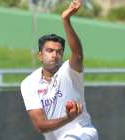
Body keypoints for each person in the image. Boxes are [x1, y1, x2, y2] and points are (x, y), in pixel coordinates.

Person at [20, 0, 98, 139]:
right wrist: (68, 118)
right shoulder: (29, 83)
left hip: (82, 133)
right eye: (49, 50)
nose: (54, 55)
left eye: (59, 51)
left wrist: (66, 19)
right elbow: (40, 125)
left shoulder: (69, 71)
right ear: (40, 55)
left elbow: (78, 55)